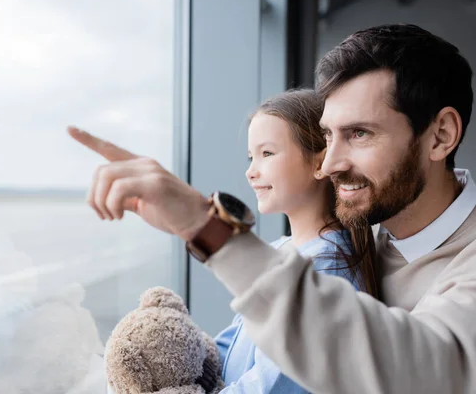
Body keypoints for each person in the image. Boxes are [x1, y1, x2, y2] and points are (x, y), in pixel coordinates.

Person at [69, 23, 476, 393]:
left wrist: (205, 224)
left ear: (440, 136)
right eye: (328, 136)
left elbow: (418, 370)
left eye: (359, 134)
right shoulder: (365, 227)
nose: (330, 164)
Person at [215, 89, 374, 393]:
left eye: (267, 153)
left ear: (320, 164)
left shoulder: (327, 269)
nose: (251, 172)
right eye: (251, 157)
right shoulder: (277, 251)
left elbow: (271, 385)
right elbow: (226, 345)